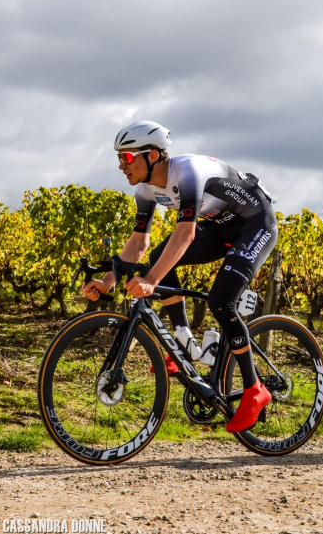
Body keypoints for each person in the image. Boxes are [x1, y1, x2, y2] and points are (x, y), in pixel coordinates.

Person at [82, 120, 278, 433]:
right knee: (158, 258)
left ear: (153, 156)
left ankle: (255, 390)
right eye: (119, 158)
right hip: (219, 226)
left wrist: (150, 281)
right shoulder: (145, 189)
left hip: (254, 223)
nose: (122, 166)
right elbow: (139, 243)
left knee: (220, 301)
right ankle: (183, 343)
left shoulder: (187, 173)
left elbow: (185, 234)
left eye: (128, 158)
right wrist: (109, 280)